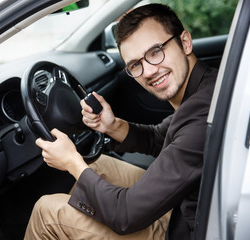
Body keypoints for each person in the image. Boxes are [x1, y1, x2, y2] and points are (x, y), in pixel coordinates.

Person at [24, 3, 218, 240]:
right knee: (97, 166)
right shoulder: (208, 89)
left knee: (47, 213)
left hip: (189, 230)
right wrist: (112, 125)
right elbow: (161, 137)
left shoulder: (202, 118)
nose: (147, 71)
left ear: (185, 42)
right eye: (135, 64)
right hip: (192, 206)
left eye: (156, 51)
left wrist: (71, 161)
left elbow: (126, 215)